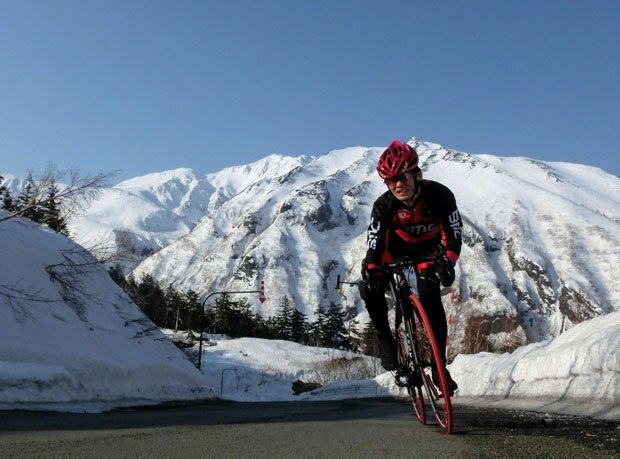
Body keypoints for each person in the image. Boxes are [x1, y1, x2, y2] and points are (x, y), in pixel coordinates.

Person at [359, 140, 462, 394]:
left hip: (428, 251)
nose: (398, 184)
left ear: (417, 175)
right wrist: (372, 267)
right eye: (390, 180)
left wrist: (448, 261)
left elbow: (454, 232)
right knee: (368, 287)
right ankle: (386, 338)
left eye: (403, 177)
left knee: (430, 299)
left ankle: (439, 366)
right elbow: (374, 244)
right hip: (393, 251)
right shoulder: (383, 206)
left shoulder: (440, 196)